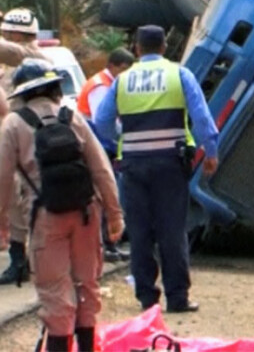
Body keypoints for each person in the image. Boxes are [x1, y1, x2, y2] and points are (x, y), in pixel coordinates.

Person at [0, 59, 124, 352]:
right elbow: (100, 168)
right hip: (86, 213)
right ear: (54, 87)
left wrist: (3, 224)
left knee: (55, 293)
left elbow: (2, 178)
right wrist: (115, 215)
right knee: (87, 286)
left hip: (46, 216)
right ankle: (87, 347)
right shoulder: (73, 117)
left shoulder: (13, 124)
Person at [94, 25, 219, 313]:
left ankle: (147, 298)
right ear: (164, 47)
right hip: (170, 165)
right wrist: (210, 152)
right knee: (172, 230)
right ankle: (177, 298)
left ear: (137, 49)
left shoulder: (122, 81)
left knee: (139, 232)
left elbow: (101, 122)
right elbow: (201, 118)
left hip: (133, 165)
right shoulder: (180, 75)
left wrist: (121, 139)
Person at [0, 8, 50, 285]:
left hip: (30, 138)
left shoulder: (32, 57)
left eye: (10, 32)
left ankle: (27, 259)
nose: (6, 36)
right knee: (15, 201)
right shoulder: (12, 64)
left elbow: (7, 50)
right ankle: (21, 259)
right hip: (13, 137)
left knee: (26, 198)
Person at [78, 47, 135, 262]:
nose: (126, 74)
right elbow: (101, 121)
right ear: (111, 66)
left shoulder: (110, 84)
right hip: (97, 145)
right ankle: (106, 244)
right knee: (104, 195)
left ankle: (109, 243)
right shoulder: (101, 86)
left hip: (102, 145)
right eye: (123, 69)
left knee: (108, 195)